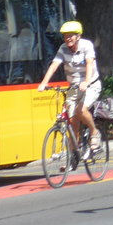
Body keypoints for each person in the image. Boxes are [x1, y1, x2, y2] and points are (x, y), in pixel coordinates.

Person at [37, 20, 101, 156]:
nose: (67, 39)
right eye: (65, 36)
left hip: (91, 85)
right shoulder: (63, 48)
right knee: (72, 120)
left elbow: (90, 63)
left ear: (78, 36)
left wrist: (87, 81)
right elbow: (54, 65)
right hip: (74, 86)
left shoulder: (86, 45)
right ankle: (74, 154)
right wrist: (44, 82)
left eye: (70, 36)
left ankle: (94, 132)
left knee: (81, 110)